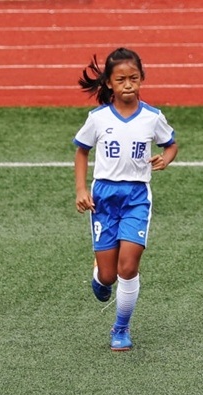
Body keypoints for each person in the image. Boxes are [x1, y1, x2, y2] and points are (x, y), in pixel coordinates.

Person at [73, 47, 178, 351]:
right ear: (109, 82)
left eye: (134, 78)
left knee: (128, 268)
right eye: (121, 80)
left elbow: (171, 144)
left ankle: (121, 328)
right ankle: (99, 275)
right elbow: (82, 151)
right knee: (108, 276)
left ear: (142, 78)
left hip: (136, 198)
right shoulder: (98, 118)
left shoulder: (152, 117)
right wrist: (81, 189)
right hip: (104, 197)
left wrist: (166, 158)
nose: (128, 85)